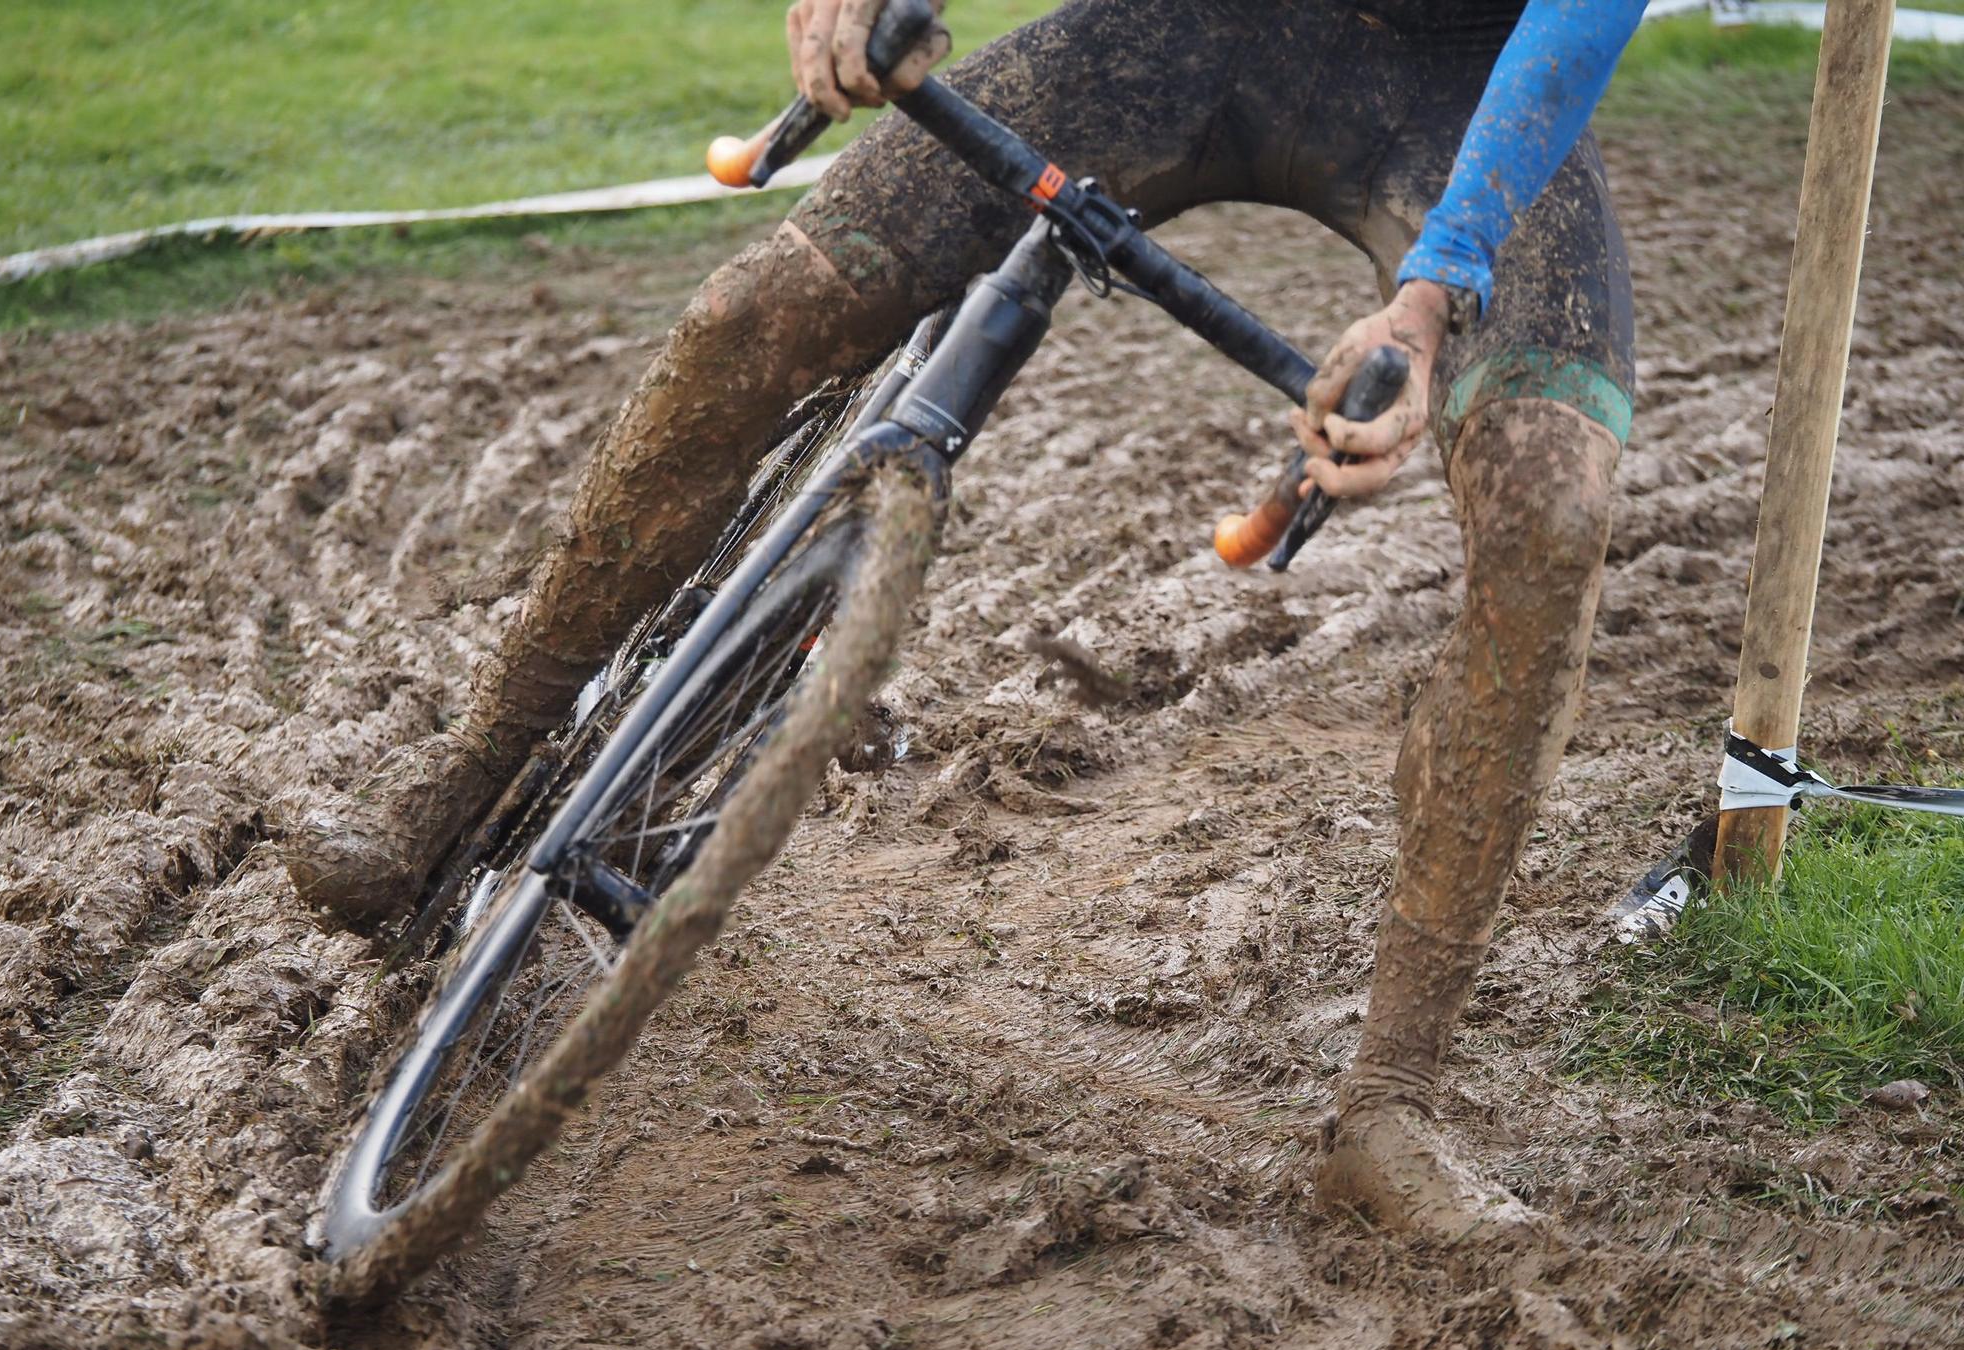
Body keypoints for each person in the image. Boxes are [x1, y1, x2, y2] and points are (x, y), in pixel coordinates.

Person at [286, 0, 1645, 1242]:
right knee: (755, 316)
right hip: (1193, 31)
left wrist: (1438, 279)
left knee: (1551, 518)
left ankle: (1393, 1098)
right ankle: (465, 782)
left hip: (1473, 85)